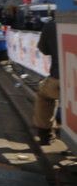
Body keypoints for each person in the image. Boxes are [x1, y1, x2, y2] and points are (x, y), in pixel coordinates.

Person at [35, 18, 60, 146]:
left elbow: (44, 49)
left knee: (43, 95)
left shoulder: (51, 26)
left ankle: (46, 134)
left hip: (59, 78)